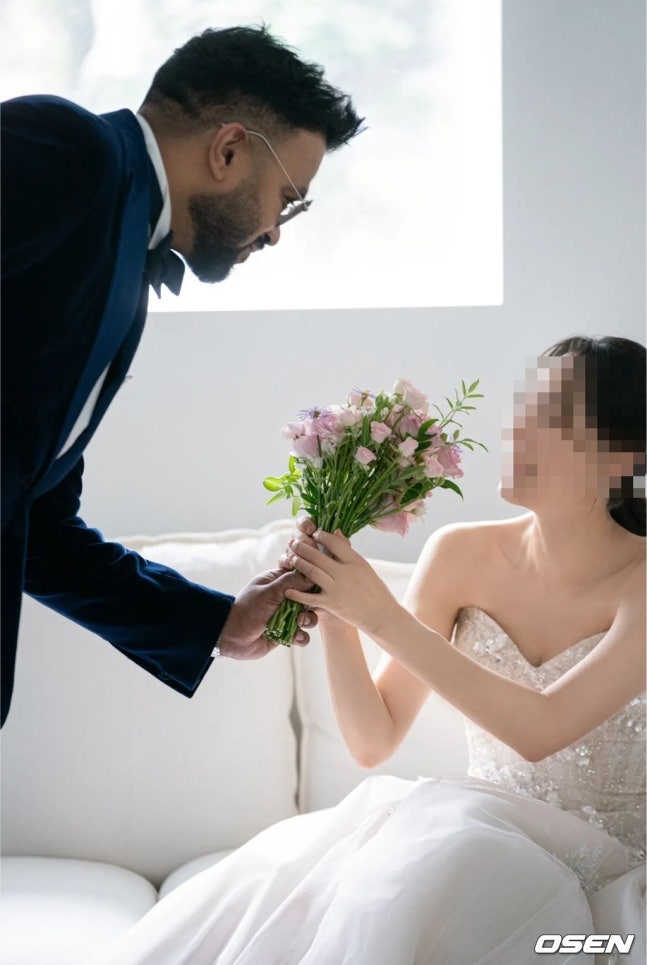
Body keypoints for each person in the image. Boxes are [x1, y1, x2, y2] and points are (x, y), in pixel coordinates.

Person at [92, 334, 646, 964]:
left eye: (554, 418)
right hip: (479, 841)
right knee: (353, 879)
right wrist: (338, 609)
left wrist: (379, 612)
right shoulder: (462, 552)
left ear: (623, 458)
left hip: (603, 870)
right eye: (524, 408)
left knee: (452, 865)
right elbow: (372, 739)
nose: (520, 431)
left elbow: (541, 728)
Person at [1, 26, 364, 726]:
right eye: (287, 198)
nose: (277, 230)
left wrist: (215, 624)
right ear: (228, 151)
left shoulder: (129, 266)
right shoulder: (67, 149)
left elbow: (37, 526)